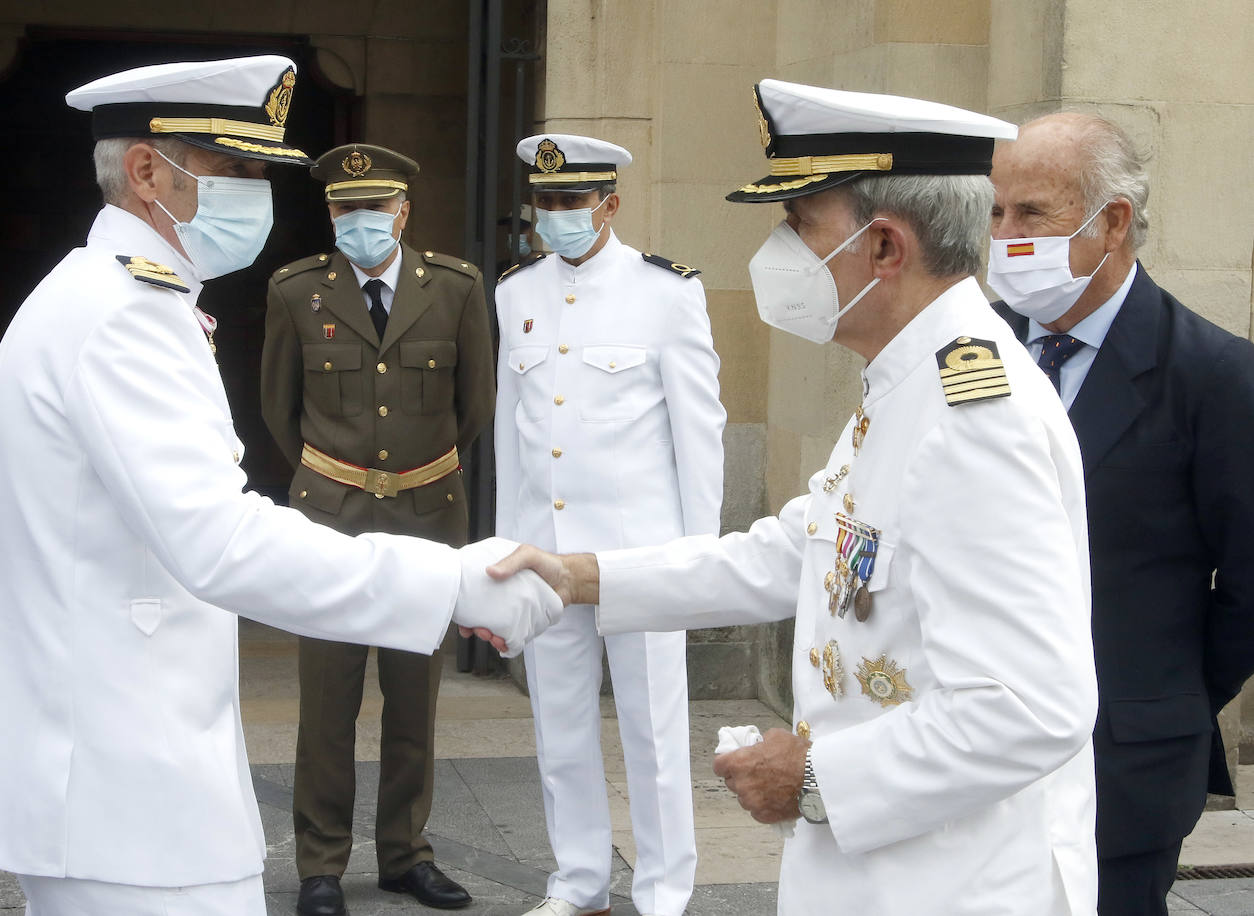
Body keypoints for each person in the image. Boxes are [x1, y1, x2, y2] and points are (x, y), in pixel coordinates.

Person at [479, 80, 1099, 915]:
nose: (777, 253)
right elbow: (800, 547)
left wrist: (812, 777)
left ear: (884, 248)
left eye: (798, 225)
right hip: (883, 871)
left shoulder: (971, 416)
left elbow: (1031, 708)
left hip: (951, 883)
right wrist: (576, 575)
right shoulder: (907, 379)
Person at [0, 55, 559, 916]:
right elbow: (223, 539)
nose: (257, 194)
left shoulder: (118, 297)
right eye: (236, 169)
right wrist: (454, 580)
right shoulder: (124, 317)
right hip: (127, 793)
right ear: (146, 172)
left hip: (122, 781)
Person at [987, 112, 1254, 916]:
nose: (1005, 236)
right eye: (995, 213)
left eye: (1032, 213)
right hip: (969, 758)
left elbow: (1247, 590)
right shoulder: (971, 349)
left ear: (1113, 223)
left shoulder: (1214, 375)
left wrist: (1161, 695)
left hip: (1121, 770)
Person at [261, 143, 495, 915]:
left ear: (404, 211)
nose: (360, 222)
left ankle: (405, 853)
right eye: (344, 209)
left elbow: (474, 408)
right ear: (330, 214)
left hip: (428, 517)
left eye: (374, 208)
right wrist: (337, 481)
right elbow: (277, 408)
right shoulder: (297, 291)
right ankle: (321, 864)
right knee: (326, 704)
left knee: (412, 699)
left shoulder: (455, 288)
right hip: (330, 523)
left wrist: (415, 476)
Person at [494, 133, 726, 916]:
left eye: (571, 202)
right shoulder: (515, 293)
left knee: (654, 736)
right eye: (544, 204)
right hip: (546, 552)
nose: (554, 216)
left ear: (609, 205)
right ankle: (579, 882)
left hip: (642, 556)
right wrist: (506, 548)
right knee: (559, 728)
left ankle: (664, 892)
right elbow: (510, 430)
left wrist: (701, 561)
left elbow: (699, 434)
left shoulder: (667, 292)